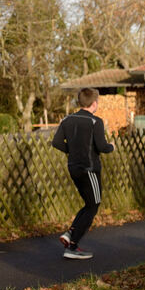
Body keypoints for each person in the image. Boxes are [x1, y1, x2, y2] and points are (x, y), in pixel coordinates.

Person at [53, 87, 115, 260]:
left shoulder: (67, 120)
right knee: (94, 205)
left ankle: (71, 235)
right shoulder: (95, 121)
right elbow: (102, 147)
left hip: (73, 168)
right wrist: (112, 147)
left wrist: (72, 151)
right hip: (90, 170)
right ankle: (72, 244)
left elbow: (56, 142)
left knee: (89, 204)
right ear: (94, 103)